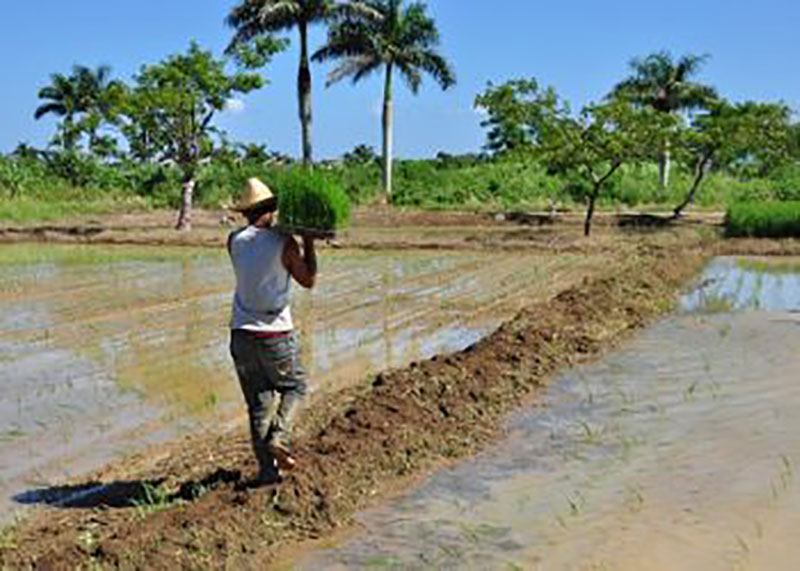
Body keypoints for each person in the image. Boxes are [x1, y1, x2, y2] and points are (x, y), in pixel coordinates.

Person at [227, 177, 317, 485]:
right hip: (274, 333)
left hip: (240, 334)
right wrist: (308, 242)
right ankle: (281, 436)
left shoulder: (233, 241)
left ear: (245, 212)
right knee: (295, 387)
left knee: (258, 403)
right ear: (272, 209)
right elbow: (308, 280)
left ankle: (267, 471)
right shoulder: (285, 243)